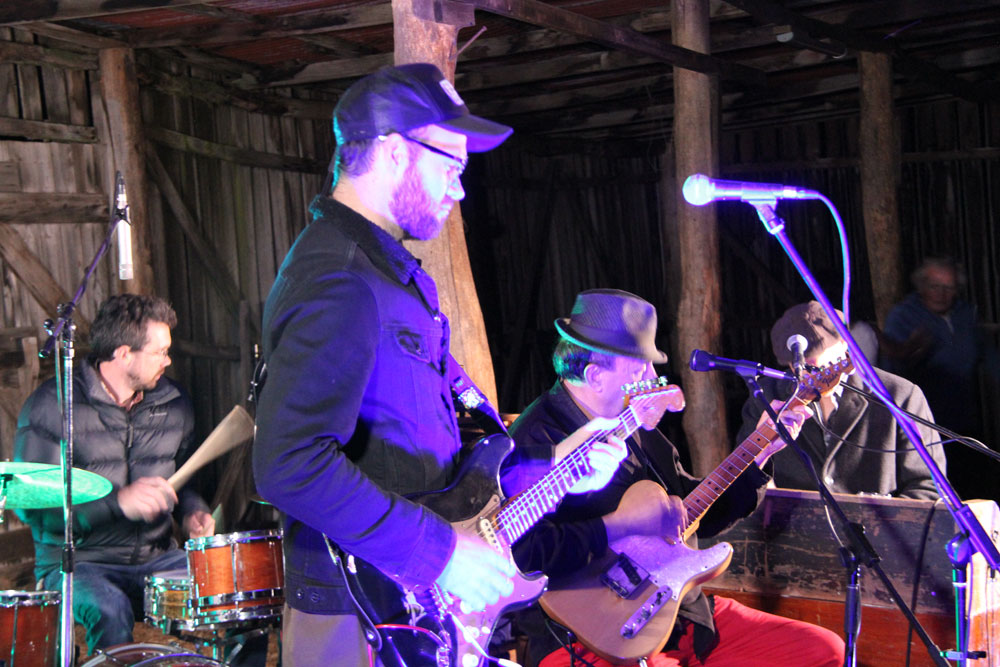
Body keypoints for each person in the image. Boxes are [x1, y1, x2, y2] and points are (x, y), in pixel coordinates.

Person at [252, 63, 625, 666]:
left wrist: (548, 470)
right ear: (395, 153)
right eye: (451, 165)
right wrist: (441, 553)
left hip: (409, 609)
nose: (461, 189)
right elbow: (288, 464)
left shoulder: (390, 279)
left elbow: (426, 455)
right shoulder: (339, 279)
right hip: (358, 614)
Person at [502, 289, 845, 667]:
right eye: (640, 368)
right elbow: (524, 554)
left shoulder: (636, 424)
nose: (653, 377)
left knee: (822, 651)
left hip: (683, 616)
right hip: (584, 639)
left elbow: (699, 515)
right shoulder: (533, 442)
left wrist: (760, 450)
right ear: (595, 375)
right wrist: (617, 526)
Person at [15, 294, 214, 654]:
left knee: (230, 592)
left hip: (157, 558)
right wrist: (118, 503)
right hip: (80, 565)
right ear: (124, 354)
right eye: (160, 352)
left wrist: (192, 511)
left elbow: (185, 481)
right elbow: (34, 508)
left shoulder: (174, 403)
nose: (168, 360)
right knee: (110, 609)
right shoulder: (53, 405)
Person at [737, 300, 945, 500]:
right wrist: (760, 466)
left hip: (879, 525)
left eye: (821, 366)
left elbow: (928, 486)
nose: (812, 374)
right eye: (801, 367)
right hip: (793, 525)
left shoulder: (900, 395)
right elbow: (743, 481)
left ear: (845, 343)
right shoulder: (765, 398)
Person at [882, 257, 1000, 500]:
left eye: (949, 287)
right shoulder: (904, 316)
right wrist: (909, 351)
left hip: (966, 418)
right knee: (939, 489)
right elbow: (891, 369)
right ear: (921, 286)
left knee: (974, 486)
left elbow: (987, 357)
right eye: (935, 286)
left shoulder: (966, 313)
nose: (941, 294)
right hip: (926, 421)